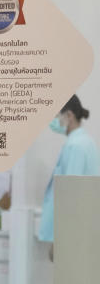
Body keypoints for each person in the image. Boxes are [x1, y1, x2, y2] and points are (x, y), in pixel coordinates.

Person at [38, 94, 100, 257]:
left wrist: (59, 240)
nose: (54, 121)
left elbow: (71, 197)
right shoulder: (85, 142)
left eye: (56, 116)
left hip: (74, 234)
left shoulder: (75, 146)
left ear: (69, 116)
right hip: (83, 230)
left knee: (69, 279)